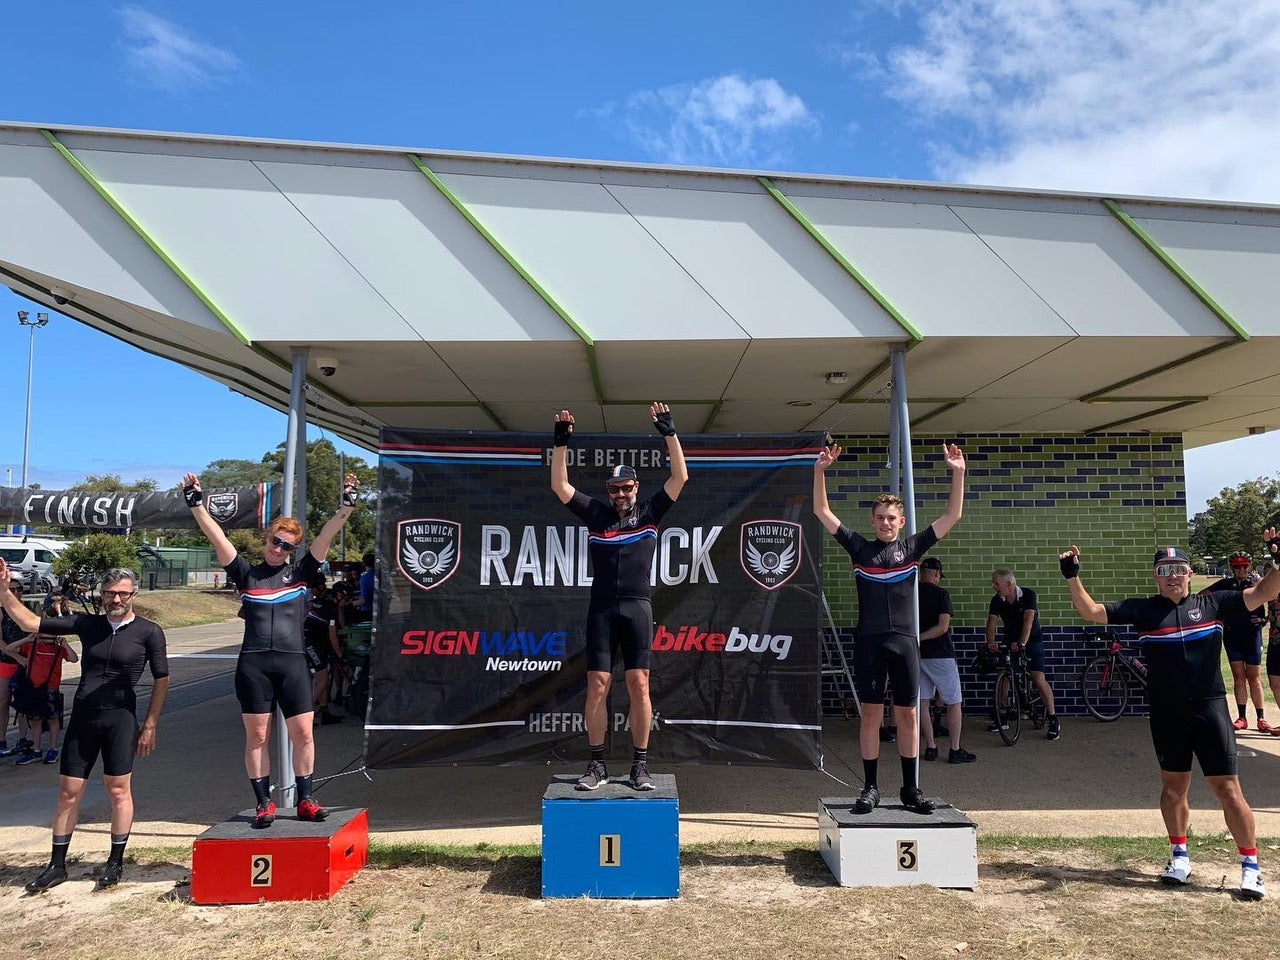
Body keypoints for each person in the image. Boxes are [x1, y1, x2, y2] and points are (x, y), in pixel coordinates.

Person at [1061, 538, 1280, 900]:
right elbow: (1092, 611)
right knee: (1173, 788)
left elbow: (1264, 592)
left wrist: (1277, 561)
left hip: (1210, 710)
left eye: (1179, 569)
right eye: (1165, 571)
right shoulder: (1143, 610)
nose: (1173, 576)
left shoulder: (1214, 601)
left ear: (1190, 574)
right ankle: (1179, 857)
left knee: (1228, 790)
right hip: (1167, 712)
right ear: (1156, 577)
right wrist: (1072, 575)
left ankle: (1251, 867)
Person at [182, 471, 360, 827]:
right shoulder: (246, 574)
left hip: (293, 663)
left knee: (304, 734)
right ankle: (264, 802)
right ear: (266, 539)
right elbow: (216, 536)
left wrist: (345, 507)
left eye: (287, 546)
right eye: (275, 542)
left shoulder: (302, 573)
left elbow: (327, 535)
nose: (279, 549)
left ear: (294, 550)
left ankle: (306, 798)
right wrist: (197, 505)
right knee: (258, 736)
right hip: (255, 666)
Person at [813, 439, 966, 815]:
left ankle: (911, 789)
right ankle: (869, 788)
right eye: (879, 517)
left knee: (909, 714)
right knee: (870, 714)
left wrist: (958, 475)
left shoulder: (912, 549)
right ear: (872, 521)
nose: (884, 523)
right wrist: (819, 472)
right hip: (869, 641)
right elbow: (821, 510)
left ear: (901, 522)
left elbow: (952, 517)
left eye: (891, 518)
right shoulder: (859, 549)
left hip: (904, 643)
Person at [0, 562, 169, 892]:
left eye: (123, 593)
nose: (117, 599)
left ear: (133, 594)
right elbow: (32, 622)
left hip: (120, 720)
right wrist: (5, 592)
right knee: (68, 793)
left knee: (118, 791)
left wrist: (149, 724)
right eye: (110, 593)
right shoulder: (87, 624)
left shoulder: (149, 631)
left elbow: (162, 679)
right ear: (103, 595)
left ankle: (115, 862)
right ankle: (57, 865)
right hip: (83, 719)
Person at [551, 402, 687, 791]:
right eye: (615, 489)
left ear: (635, 488)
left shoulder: (649, 513)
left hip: (638, 608)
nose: (621, 493)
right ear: (608, 492)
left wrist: (669, 433)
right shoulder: (596, 514)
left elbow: (680, 477)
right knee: (596, 685)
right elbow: (559, 487)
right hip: (602, 610)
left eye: (627, 487)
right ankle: (596, 765)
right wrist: (560, 442)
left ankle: (640, 766)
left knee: (639, 684)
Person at [986, 569, 1060, 741]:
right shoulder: (997, 600)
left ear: (1009, 584)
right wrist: (990, 642)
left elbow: (1028, 619)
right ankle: (1002, 717)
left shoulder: (1028, 595)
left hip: (1031, 640)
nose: (993, 586)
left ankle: (1053, 718)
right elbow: (991, 622)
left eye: (996, 583)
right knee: (1004, 677)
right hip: (1009, 640)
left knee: (1037, 677)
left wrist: (1022, 644)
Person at [1200, 552, 1270, 732]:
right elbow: (1201, 597)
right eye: (1237, 567)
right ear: (1232, 568)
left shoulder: (1256, 584)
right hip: (1232, 637)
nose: (1242, 570)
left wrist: (1265, 620)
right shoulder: (1224, 585)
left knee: (1254, 678)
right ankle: (1242, 717)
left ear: (1250, 566)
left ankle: (1261, 718)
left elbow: (1273, 601)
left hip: (1252, 636)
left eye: (1245, 566)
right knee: (1239, 677)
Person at [917, 558, 975, 764]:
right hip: (941, 653)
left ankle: (931, 747)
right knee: (953, 701)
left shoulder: (909, 594)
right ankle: (955, 748)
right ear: (935, 574)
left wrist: (915, 642)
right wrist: (922, 637)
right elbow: (942, 627)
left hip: (917, 656)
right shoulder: (941, 594)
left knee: (923, 701)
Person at [3, 630, 77, 766]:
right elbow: (8, 649)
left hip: (51, 688)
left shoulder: (59, 649)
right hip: (33, 688)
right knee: (34, 719)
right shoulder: (32, 645)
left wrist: (65, 644)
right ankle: (36, 749)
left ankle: (53, 748)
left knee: (52, 719)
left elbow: (73, 659)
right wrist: (27, 639)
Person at [302, 572, 344, 725]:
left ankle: (325, 712)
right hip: (310, 643)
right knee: (323, 679)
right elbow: (333, 636)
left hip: (311, 641)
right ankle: (304, 713)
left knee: (321, 680)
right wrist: (339, 653)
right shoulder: (332, 607)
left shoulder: (317, 601)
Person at [0, 578, 26, 757]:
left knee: (24, 702)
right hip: (6, 660)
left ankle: (23, 738)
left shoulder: (30, 609)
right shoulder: (1, 612)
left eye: (19, 589)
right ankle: (1, 739)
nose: (16, 593)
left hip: (27, 661)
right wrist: (16, 656)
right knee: (3, 701)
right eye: (12, 590)